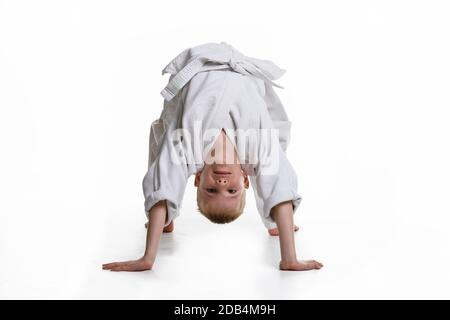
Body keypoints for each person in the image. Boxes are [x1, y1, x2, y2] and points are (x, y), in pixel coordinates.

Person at [103, 42, 323, 272]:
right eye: (232, 191)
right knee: (275, 165)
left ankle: (165, 221)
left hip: (200, 64)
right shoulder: (256, 149)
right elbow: (279, 189)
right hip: (244, 71)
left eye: (211, 190)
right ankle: (275, 222)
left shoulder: (188, 148)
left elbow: (164, 187)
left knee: (162, 152)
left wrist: (148, 258)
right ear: (246, 180)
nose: (221, 184)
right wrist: (289, 258)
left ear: (197, 179)